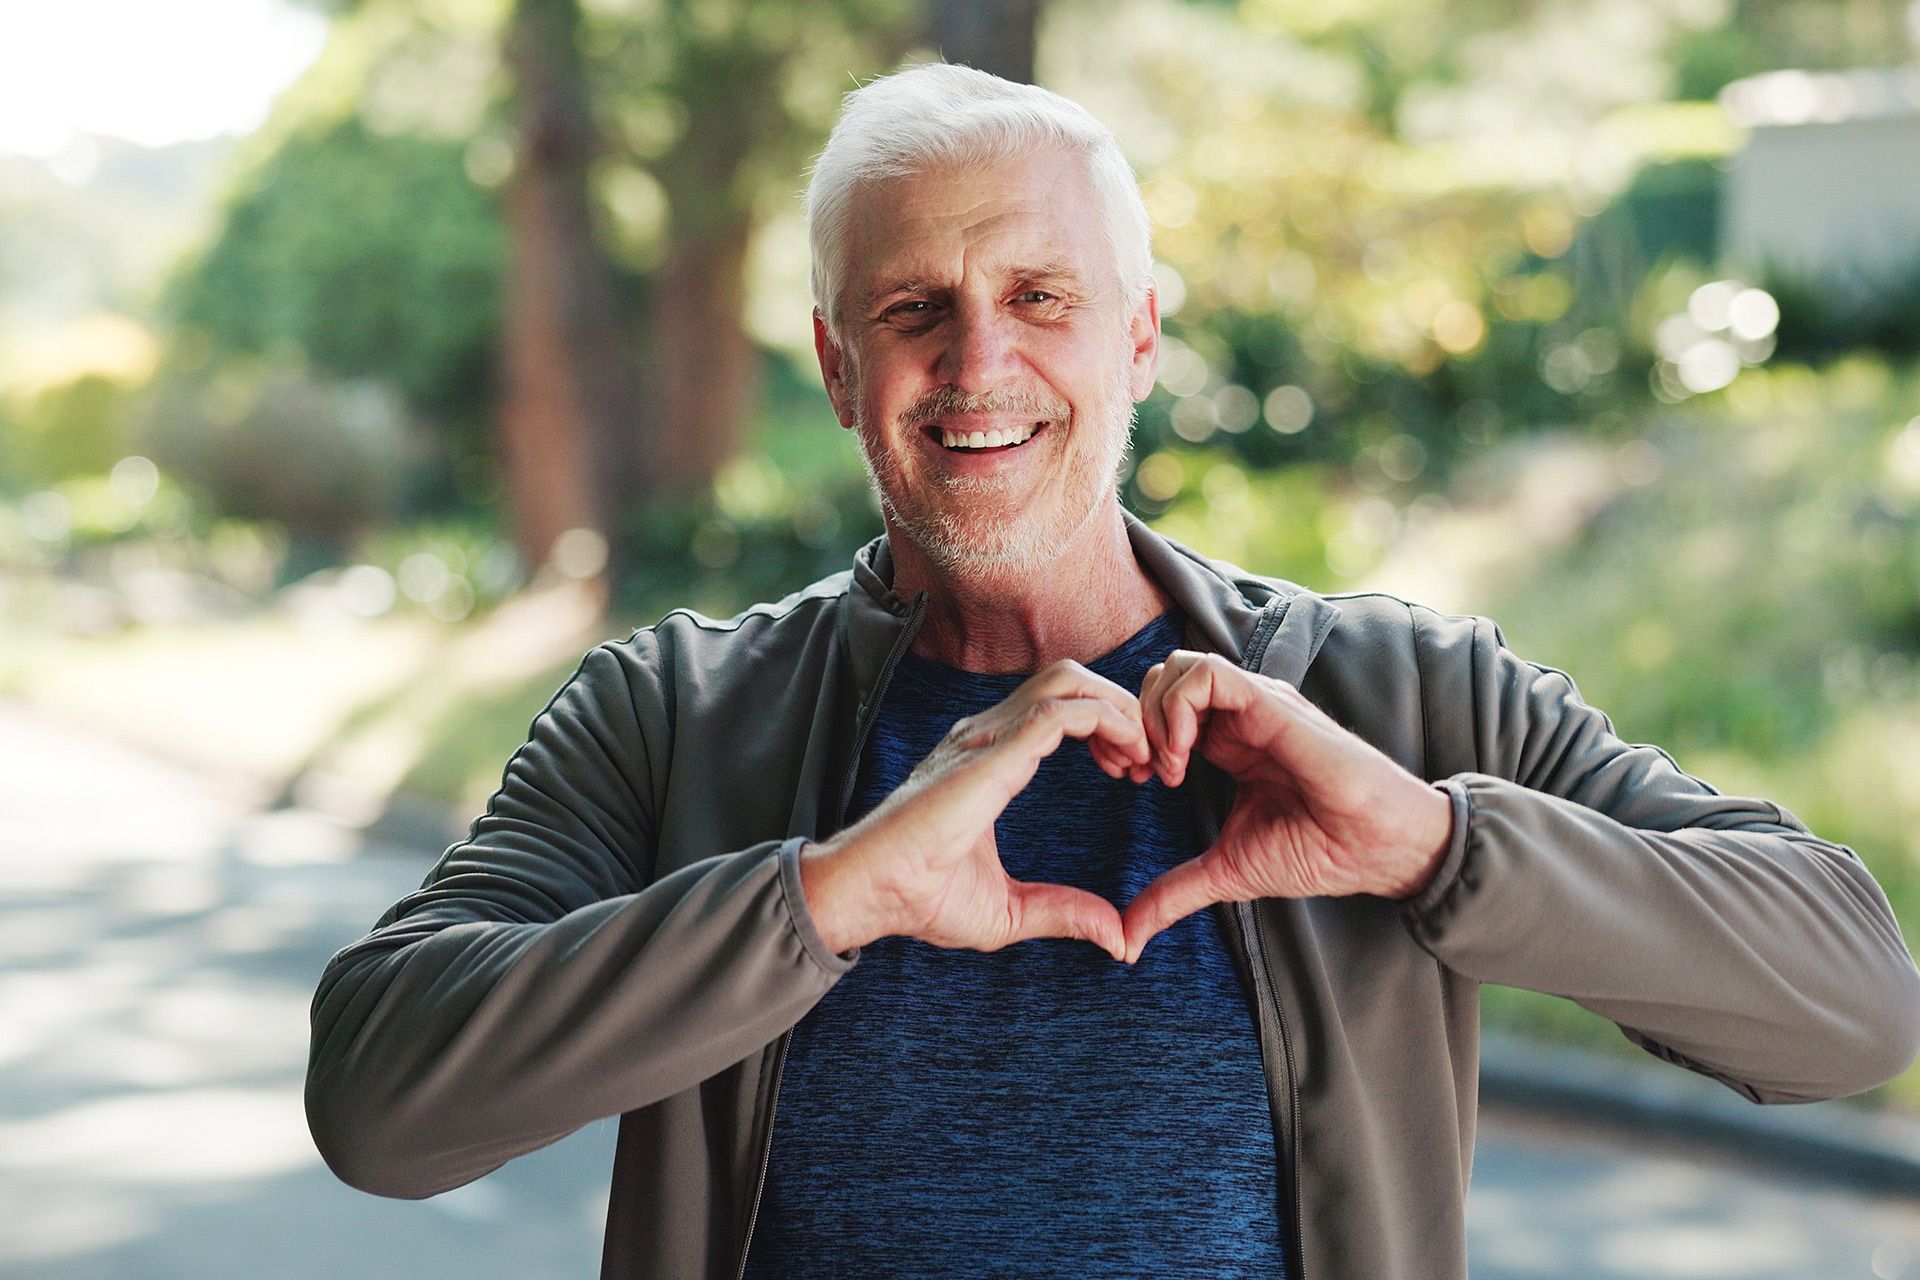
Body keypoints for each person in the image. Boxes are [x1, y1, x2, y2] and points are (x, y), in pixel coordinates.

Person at [306, 63, 1920, 1279]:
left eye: (1040, 297)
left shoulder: (1406, 700)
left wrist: (1437, 845)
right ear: (835, 364)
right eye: (913, 309)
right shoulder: (669, 719)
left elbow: (1854, 1008)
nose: (979, 365)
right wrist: (829, 895)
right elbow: (381, 1102)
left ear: (1139, 336)